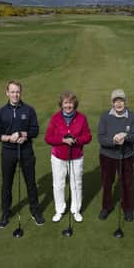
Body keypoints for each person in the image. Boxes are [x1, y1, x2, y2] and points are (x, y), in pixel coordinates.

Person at [0, 81, 45, 228]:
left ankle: (35, 211)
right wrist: (9, 138)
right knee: (7, 184)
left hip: (26, 150)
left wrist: (23, 134)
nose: (15, 94)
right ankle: (5, 212)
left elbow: (34, 130)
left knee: (31, 183)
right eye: (12, 91)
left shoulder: (29, 110)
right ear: (7, 93)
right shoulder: (1, 112)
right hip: (8, 151)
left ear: (20, 93)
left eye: (18, 92)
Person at [44, 91, 92, 223]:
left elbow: (88, 137)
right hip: (58, 157)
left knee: (76, 184)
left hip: (76, 157)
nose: (68, 105)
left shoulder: (81, 118)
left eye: (70, 103)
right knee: (58, 184)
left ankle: (75, 210)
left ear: (74, 104)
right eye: (65, 103)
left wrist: (76, 140)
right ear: (61, 104)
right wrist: (62, 140)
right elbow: (48, 138)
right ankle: (59, 210)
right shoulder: (55, 118)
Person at [97, 89, 134, 221]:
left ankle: (127, 208)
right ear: (112, 102)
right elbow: (101, 138)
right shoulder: (105, 116)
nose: (119, 104)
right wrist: (114, 141)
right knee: (107, 182)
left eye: (121, 101)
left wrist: (125, 137)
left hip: (126, 156)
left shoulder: (132, 117)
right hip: (107, 156)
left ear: (125, 102)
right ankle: (106, 207)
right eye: (116, 101)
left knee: (126, 183)